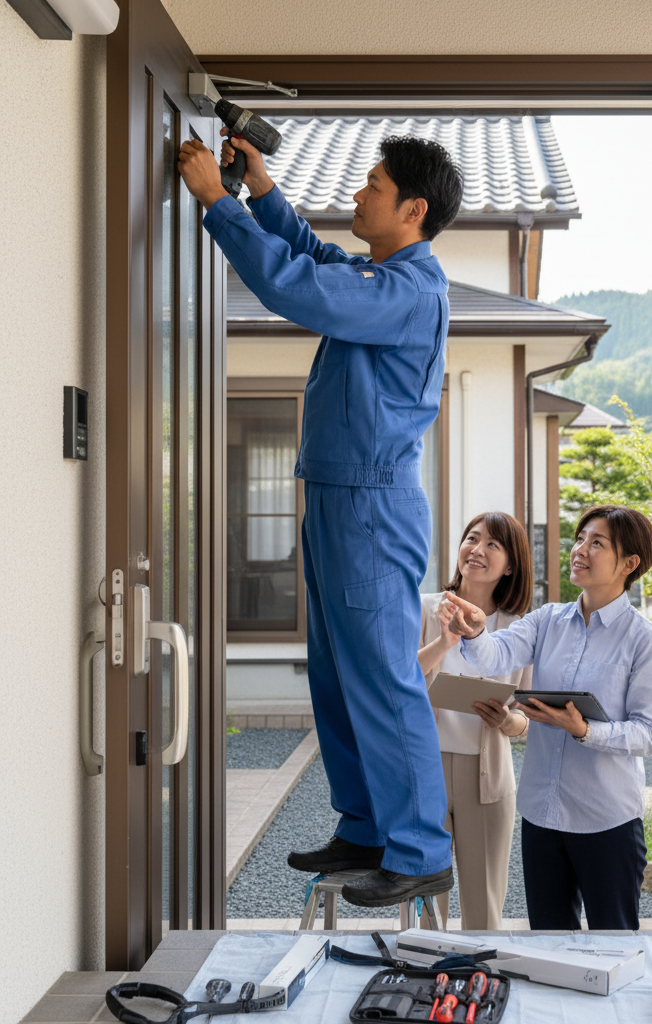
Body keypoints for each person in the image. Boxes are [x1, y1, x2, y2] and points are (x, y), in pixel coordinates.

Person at [177, 129, 463, 907]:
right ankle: (367, 827)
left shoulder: (408, 292)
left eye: (374, 186)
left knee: (385, 680)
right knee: (339, 676)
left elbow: (299, 287)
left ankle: (420, 849)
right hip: (340, 496)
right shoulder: (382, 277)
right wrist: (261, 190)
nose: (358, 195)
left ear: (413, 209)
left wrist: (217, 203)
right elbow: (311, 254)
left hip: (371, 506)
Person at [440, 505, 652, 931]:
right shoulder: (547, 620)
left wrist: (583, 730)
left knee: (613, 943)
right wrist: (475, 632)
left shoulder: (646, 642)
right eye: (580, 538)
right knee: (548, 943)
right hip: (543, 817)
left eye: (596, 543)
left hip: (607, 821)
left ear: (629, 563)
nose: (579, 549)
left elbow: (649, 734)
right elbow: (497, 655)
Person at [417, 512, 534, 929]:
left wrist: (506, 722)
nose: (477, 550)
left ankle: (477, 972)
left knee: (483, 910)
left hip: (488, 781)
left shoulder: (517, 628)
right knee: (424, 906)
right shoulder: (426, 607)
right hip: (425, 772)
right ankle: (422, 969)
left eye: (492, 545)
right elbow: (398, 679)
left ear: (511, 566)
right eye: (472, 538)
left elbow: (527, 717)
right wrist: (443, 641)